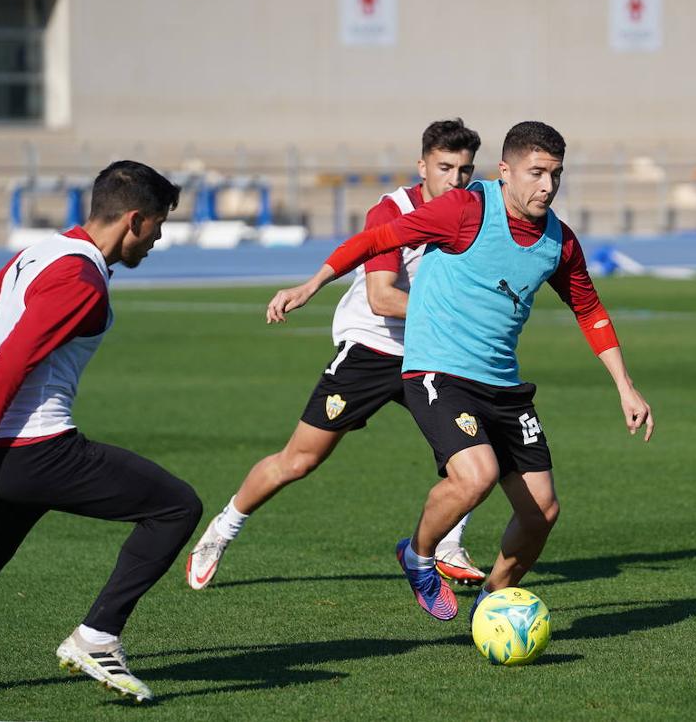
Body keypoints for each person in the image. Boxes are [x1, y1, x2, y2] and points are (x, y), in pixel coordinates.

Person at [264, 121, 655, 621]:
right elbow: (376, 239)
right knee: (477, 475)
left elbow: (590, 310)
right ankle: (419, 556)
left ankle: (493, 602)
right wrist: (311, 284)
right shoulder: (465, 209)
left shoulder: (559, 241)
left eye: (556, 175)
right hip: (438, 371)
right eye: (537, 173)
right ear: (505, 171)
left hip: (504, 383)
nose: (547, 187)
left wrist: (625, 386)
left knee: (542, 512)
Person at [0, 161, 199, 703]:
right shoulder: (79, 279)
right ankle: (97, 637)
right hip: (32, 451)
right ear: (134, 219)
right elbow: (13, 359)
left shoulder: (41, 253)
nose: (158, 238)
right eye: (158, 225)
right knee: (175, 507)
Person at [187, 119, 489, 589]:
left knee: (477, 450)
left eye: (464, 170)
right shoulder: (391, 211)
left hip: (430, 353)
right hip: (372, 348)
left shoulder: (473, 210)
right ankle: (222, 529)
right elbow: (382, 299)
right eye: (445, 167)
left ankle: (447, 542)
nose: (455, 179)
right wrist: (457, 317)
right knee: (299, 460)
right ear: (422, 165)